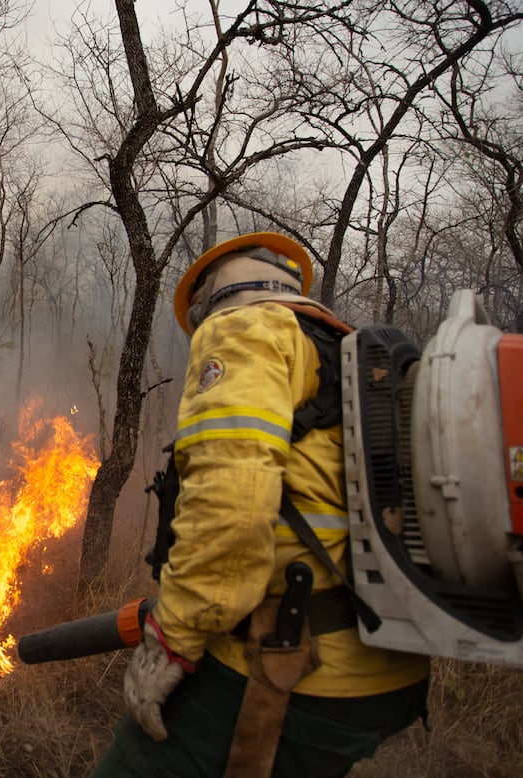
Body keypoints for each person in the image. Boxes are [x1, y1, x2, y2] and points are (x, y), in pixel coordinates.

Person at [90, 232, 429, 778]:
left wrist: (173, 638)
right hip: (385, 669)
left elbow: (233, 506)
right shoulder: (342, 354)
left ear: (212, 299)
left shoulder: (245, 328)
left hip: (291, 664)